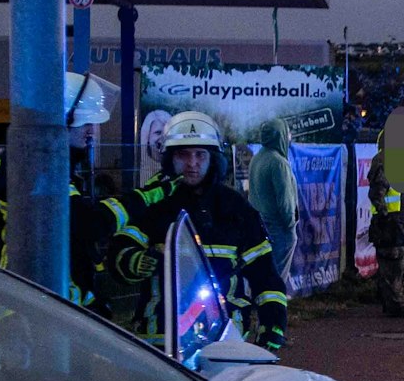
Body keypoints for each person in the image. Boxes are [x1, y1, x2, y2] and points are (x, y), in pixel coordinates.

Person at [118, 111, 288, 351]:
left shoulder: (237, 208)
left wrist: (273, 325)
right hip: (161, 341)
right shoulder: (155, 203)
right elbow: (119, 253)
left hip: (223, 342)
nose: (192, 163)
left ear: (214, 159)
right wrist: (136, 261)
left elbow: (265, 276)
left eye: (200, 154)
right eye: (182, 155)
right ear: (169, 158)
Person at [0, 71, 138, 305]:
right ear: (61, 118)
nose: (91, 132)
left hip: (50, 296)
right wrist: (140, 200)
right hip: (39, 298)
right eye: (85, 123)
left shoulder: (40, 157)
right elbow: (87, 224)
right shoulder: (38, 163)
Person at [367, 105, 404, 317]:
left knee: (399, 264)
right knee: (393, 265)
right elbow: (378, 193)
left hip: (402, 224)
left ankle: (394, 298)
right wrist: (385, 214)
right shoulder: (386, 160)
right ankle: (395, 304)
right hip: (392, 224)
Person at [248, 117, 301, 288]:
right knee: (277, 276)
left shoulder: (257, 158)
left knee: (264, 272)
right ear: (281, 135)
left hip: (259, 226)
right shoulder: (279, 163)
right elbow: (284, 201)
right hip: (279, 229)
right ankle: (276, 309)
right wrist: (290, 225)